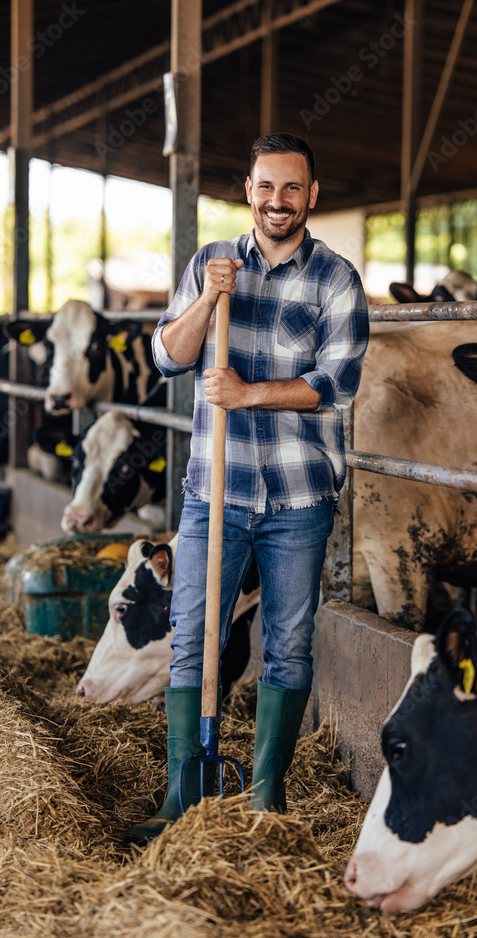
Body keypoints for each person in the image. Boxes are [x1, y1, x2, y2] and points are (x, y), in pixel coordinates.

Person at [126, 132, 369, 844]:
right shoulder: (211, 262)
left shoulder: (336, 280)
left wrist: (246, 392)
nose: (278, 201)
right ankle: (182, 793)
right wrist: (207, 300)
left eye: (292, 188)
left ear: (311, 196)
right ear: (248, 191)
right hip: (215, 492)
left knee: (287, 644)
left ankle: (267, 798)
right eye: (266, 187)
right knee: (191, 637)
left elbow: (337, 385)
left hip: (298, 497)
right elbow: (166, 355)